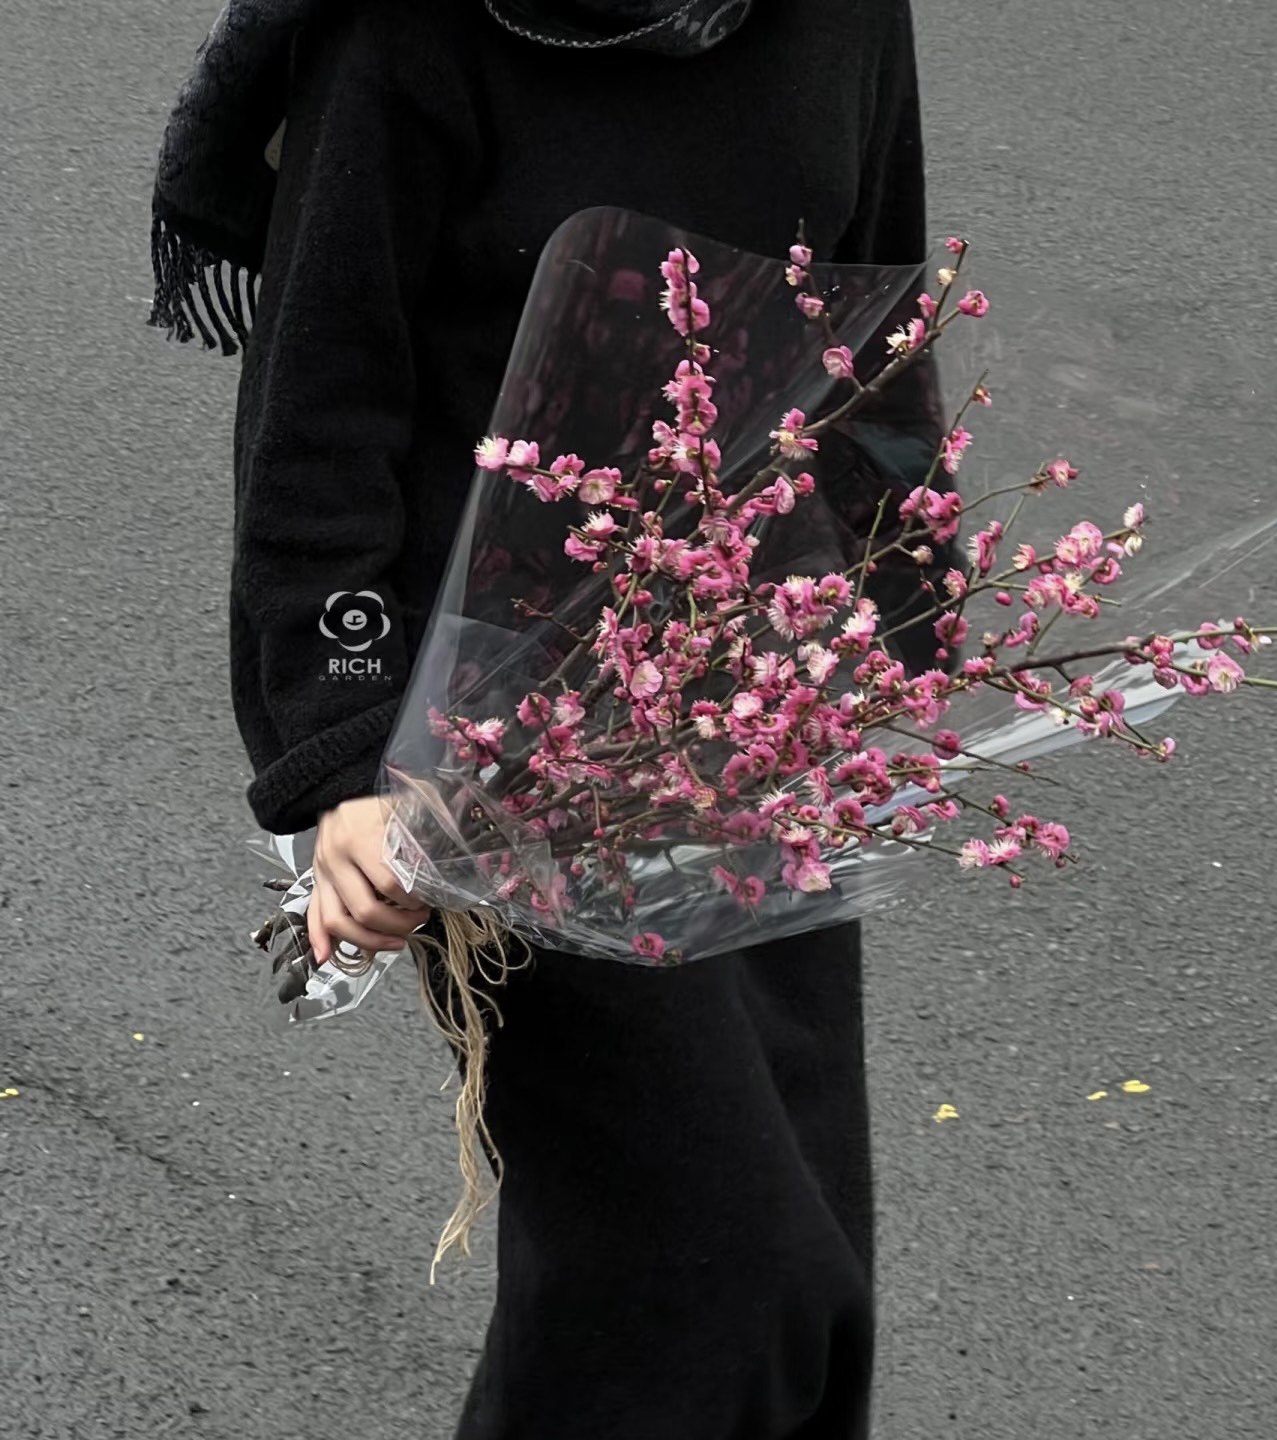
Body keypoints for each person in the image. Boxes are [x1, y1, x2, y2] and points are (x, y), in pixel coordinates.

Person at [150, 1, 928, 1435]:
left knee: (800, 1287)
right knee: (706, 1280)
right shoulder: (411, 31)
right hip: (494, 754)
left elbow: (871, 324)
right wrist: (349, 757)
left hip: (749, 705)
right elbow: (320, 409)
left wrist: (904, 621)